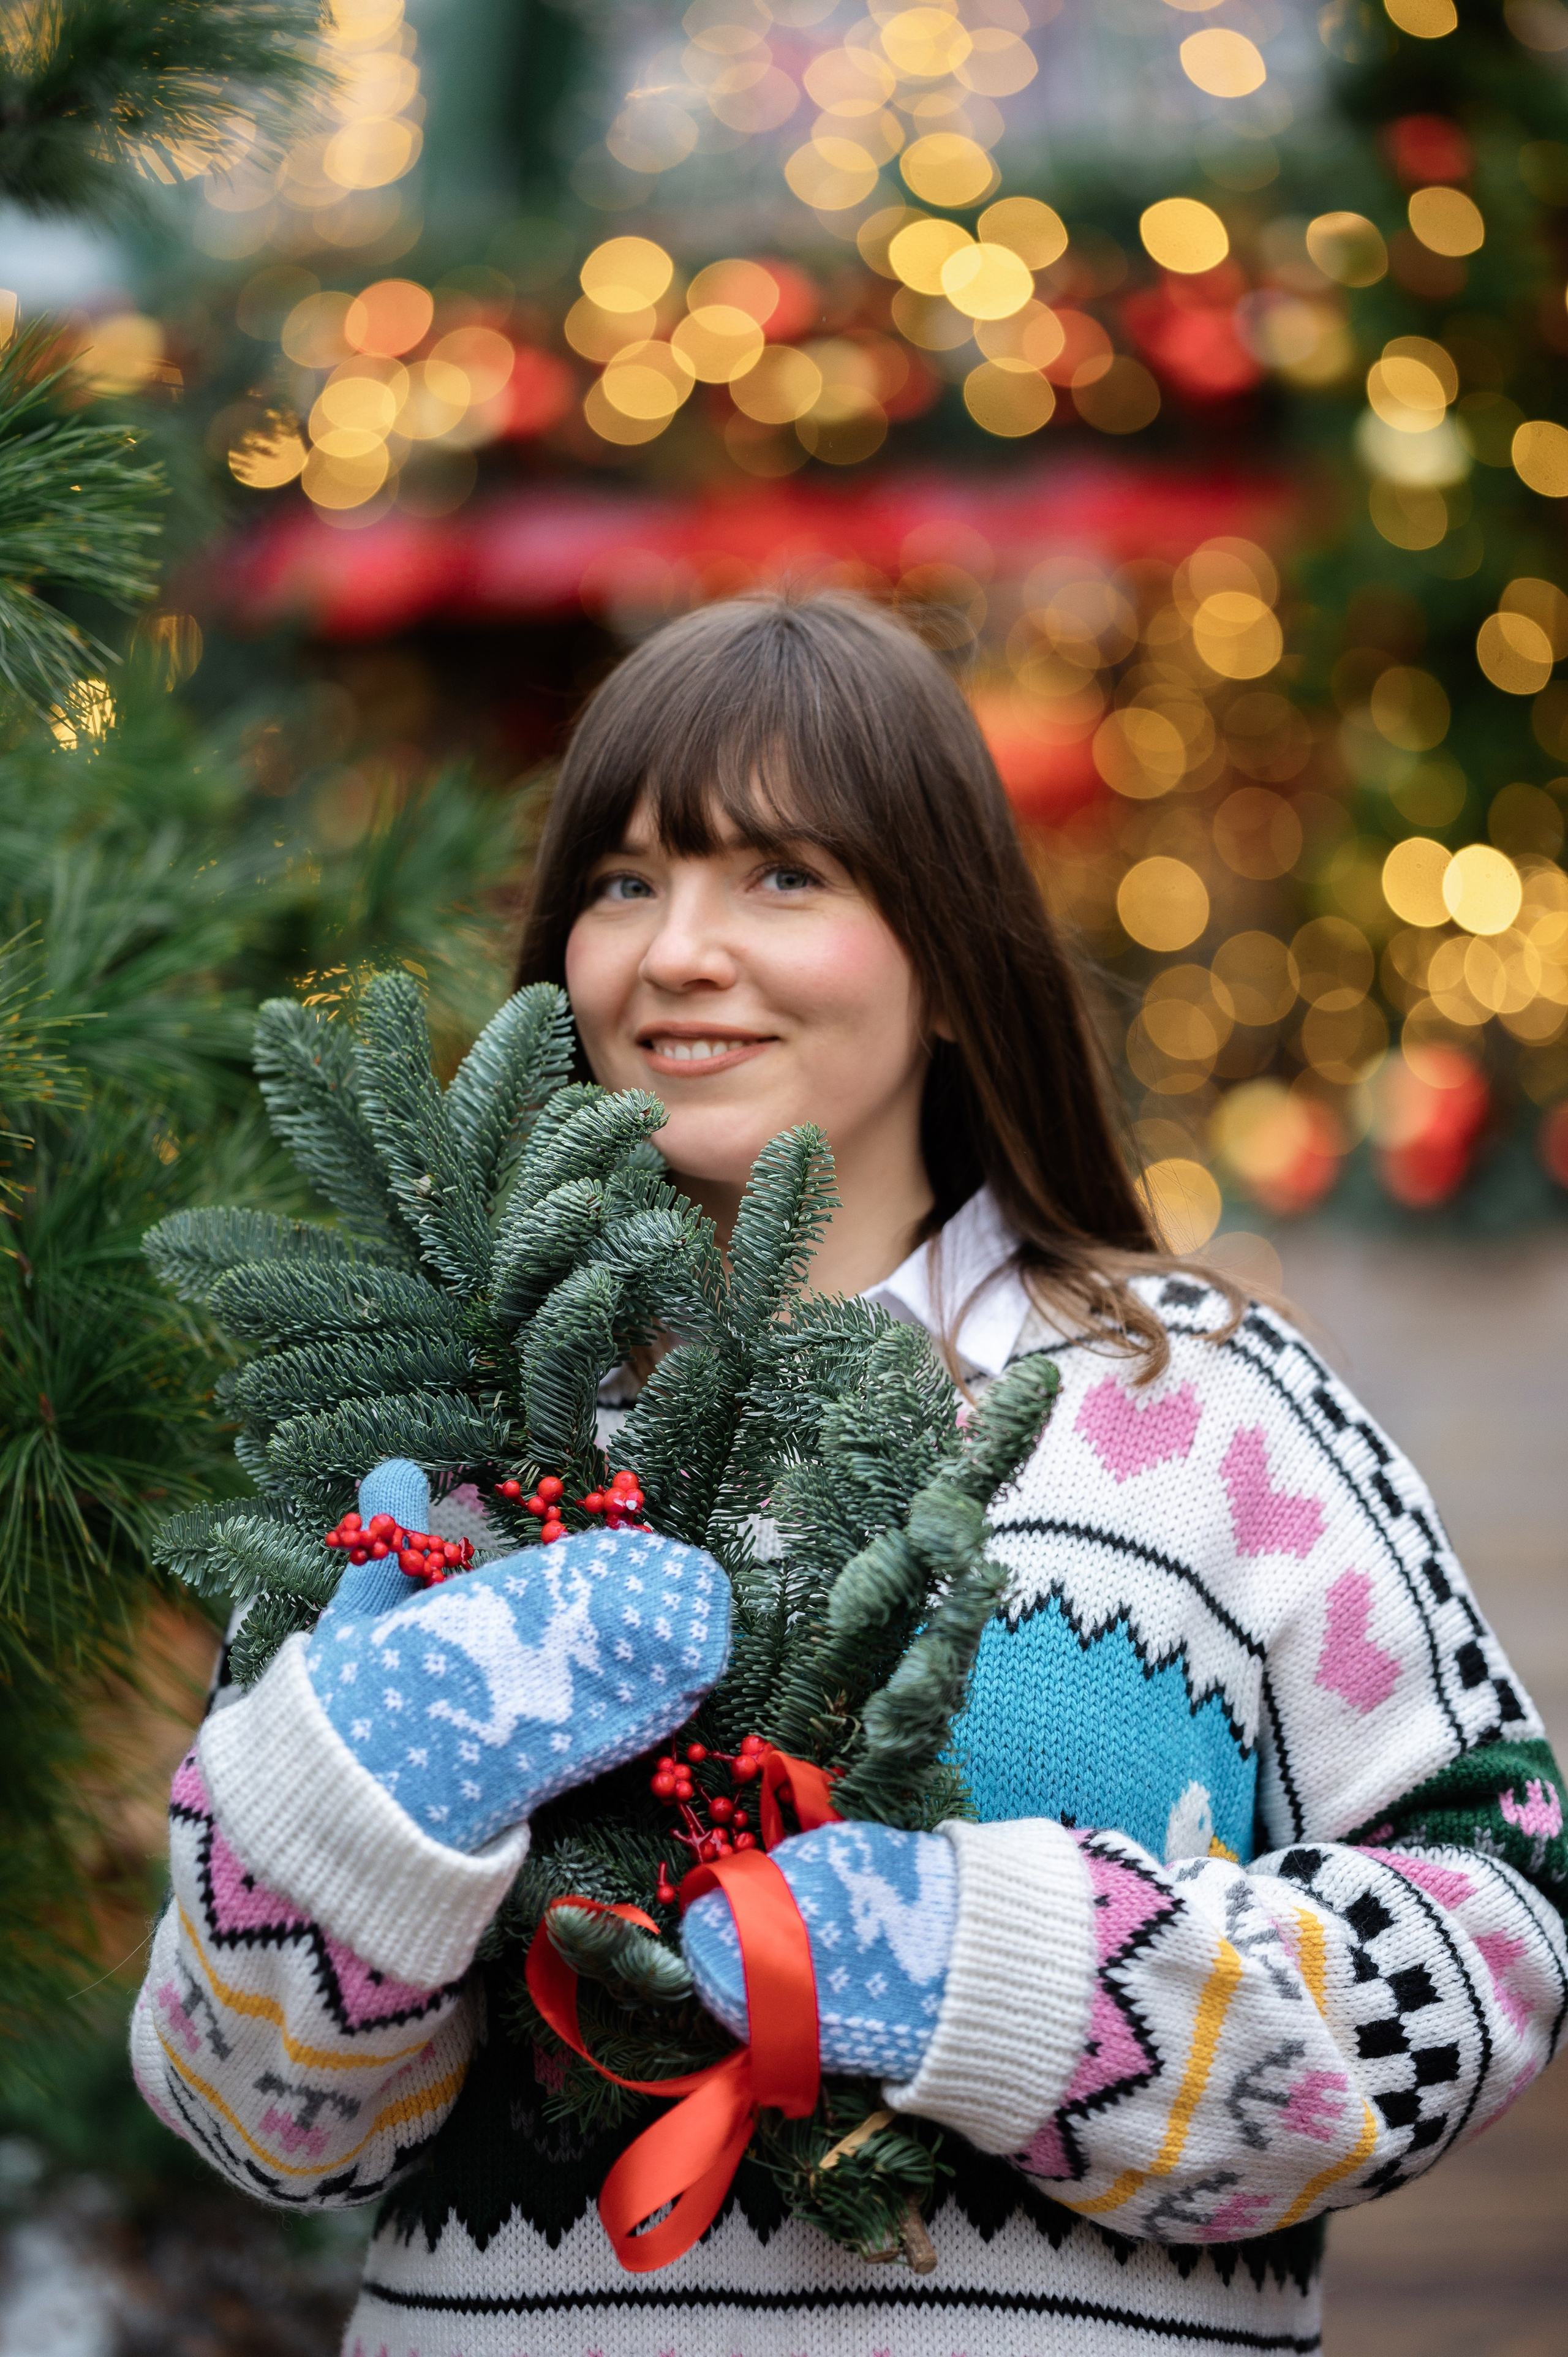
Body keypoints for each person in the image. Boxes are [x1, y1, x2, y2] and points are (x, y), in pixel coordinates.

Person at [132, 593, 1568, 2357]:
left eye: (783, 876)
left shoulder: (1210, 1410)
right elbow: (259, 2136)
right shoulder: (446, 1439)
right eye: (623, 879)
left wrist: (1021, 1976)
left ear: (954, 963)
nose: (675, 953)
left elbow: (1502, 1926)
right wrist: (347, 1820)